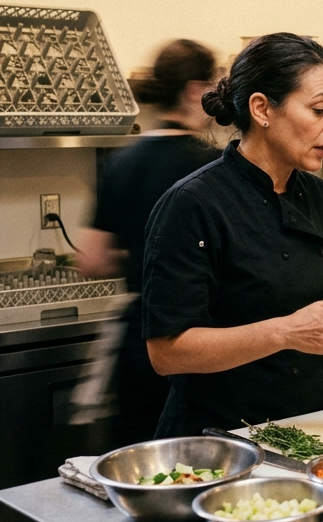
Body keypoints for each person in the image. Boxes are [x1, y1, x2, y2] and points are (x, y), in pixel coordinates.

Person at [143, 33, 323, 440]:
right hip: (216, 443)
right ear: (261, 109)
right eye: (319, 109)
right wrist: (285, 333)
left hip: (307, 434)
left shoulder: (320, 196)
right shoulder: (193, 204)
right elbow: (166, 352)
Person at [80, 40, 222, 447]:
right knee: (199, 465)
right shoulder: (208, 166)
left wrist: (138, 258)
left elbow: (91, 259)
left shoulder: (123, 161)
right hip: (198, 343)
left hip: (138, 341)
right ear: (197, 90)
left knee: (141, 465)